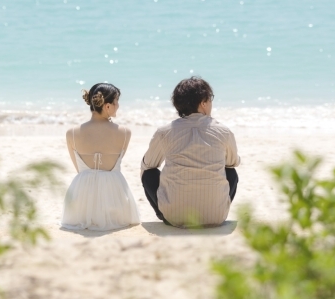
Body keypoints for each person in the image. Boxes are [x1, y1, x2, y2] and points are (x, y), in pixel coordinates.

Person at [140, 76, 240, 228]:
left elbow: (148, 164)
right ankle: (213, 209)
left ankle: (163, 214)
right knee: (231, 172)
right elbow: (233, 162)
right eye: (210, 100)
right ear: (203, 103)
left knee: (149, 173)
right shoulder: (223, 131)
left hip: (174, 218)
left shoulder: (164, 132)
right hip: (215, 217)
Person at [61, 83, 140, 230]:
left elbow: (80, 170)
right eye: (117, 102)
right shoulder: (125, 133)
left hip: (81, 206)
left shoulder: (71, 133)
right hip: (115, 203)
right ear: (107, 106)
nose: (118, 106)